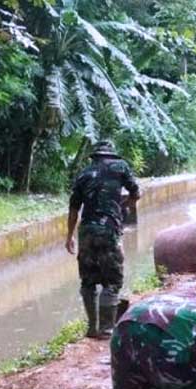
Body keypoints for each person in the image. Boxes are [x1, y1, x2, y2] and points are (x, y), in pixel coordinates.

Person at [66, 140, 140, 339]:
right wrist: (123, 205)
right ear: (111, 155)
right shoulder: (120, 167)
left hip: (87, 232)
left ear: (95, 156)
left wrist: (69, 237)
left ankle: (92, 327)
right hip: (109, 230)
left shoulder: (83, 174)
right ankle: (106, 329)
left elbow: (73, 208)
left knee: (88, 281)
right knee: (113, 281)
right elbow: (136, 193)